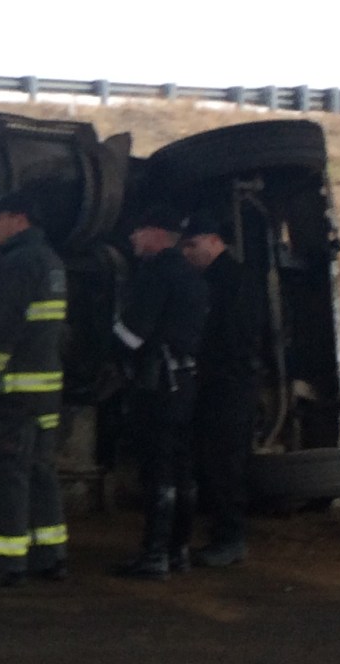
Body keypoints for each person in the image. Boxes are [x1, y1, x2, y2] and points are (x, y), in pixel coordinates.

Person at [0, 190, 71, 587]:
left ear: (19, 219)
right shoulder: (51, 262)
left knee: (3, 472)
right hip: (46, 390)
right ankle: (49, 553)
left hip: (15, 391)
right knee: (40, 469)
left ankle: (3, 562)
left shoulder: (18, 263)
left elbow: (4, 328)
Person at [108, 203, 209, 580]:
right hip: (187, 384)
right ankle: (178, 551)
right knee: (183, 472)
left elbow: (131, 336)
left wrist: (107, 337)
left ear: (155, 234)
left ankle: (153, 557)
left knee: (158, 472)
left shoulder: (156, 275)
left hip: (159, 386)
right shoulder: (193, 277)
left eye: (138, 230)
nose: (132, 237)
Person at [182, 207, 258, 567]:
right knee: (216, 463)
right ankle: (224, 537)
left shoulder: (231, 282)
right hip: (222, 385)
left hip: (227, 387)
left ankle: (230, 539)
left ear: (215, 241)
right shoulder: (227, 279)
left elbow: (229, 339)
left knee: (224, 465)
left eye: (192, 245)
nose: (188, 253)